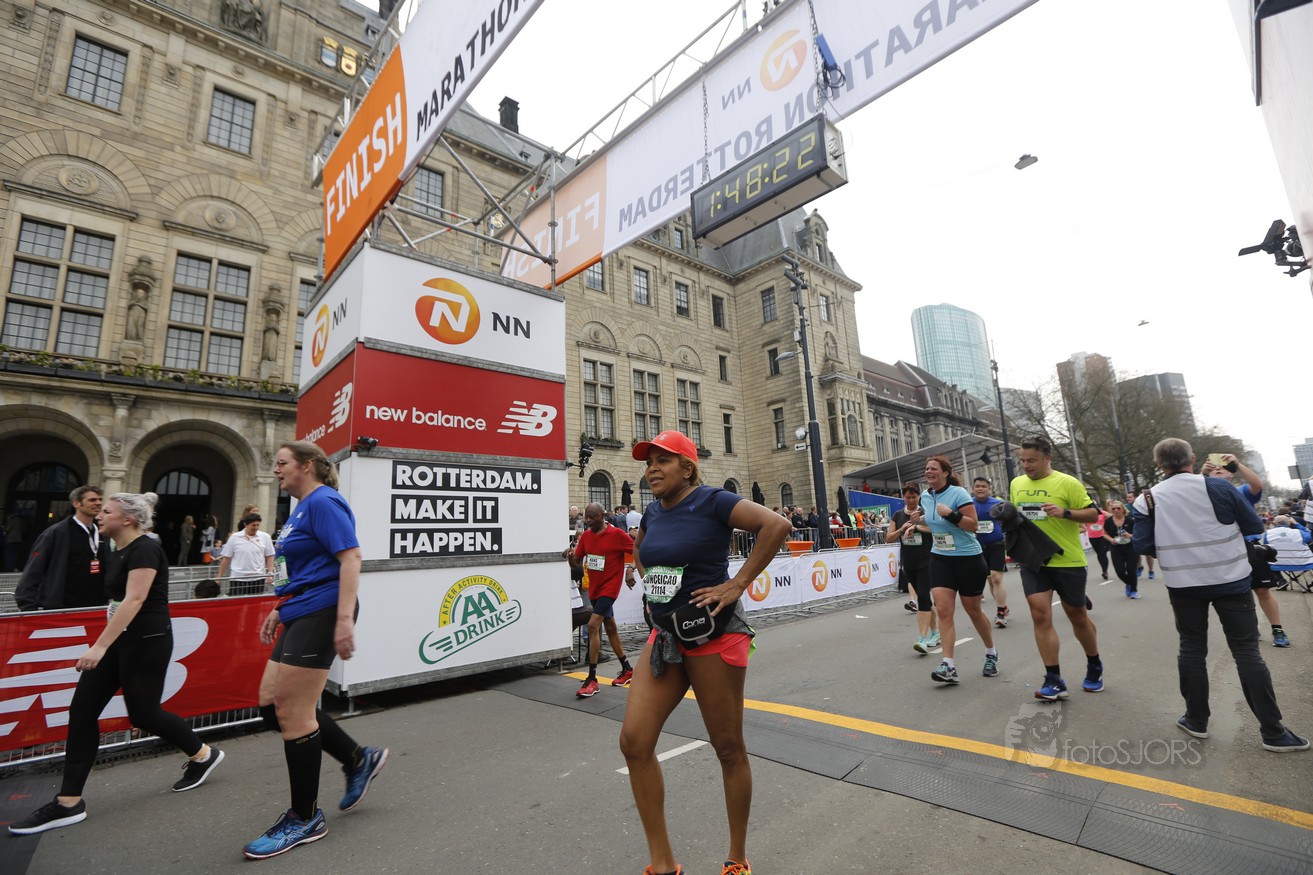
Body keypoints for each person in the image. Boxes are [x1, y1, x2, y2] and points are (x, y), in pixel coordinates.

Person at [619, 430, 791, 875]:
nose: (652, 469)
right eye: (648, 462)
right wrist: (653, 583)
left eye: (662, 460)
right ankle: (662, 864)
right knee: (634, 743)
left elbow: (777, 526)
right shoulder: (652, 512)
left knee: (728, 748)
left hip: (715, 636)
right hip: (665, 638)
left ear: (687, 468)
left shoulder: (713, 500)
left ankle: (737, 858)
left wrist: (737, 584)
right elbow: (639, 549)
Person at [9, 492, 225, 835]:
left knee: (143, 715)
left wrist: (99, 646)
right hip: (119, 640)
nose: (100, 514)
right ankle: (69, 801)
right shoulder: (114, 548)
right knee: (82, 711)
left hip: (146, 642)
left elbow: (135, 599)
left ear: (127, 519)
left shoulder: (145, 549)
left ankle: (203, 754)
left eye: (107, 510)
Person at [243, 441, 388, 860]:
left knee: (293, 712)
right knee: (271, 706)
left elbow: (351, 558)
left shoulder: (324, 501)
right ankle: (358, 758)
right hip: (301, 608)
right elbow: (303, 568)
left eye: (282, 463)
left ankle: (304, 818)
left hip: (324, 609)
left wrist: (343, 620)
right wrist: (280, 606)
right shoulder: (300, 509)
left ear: (307, 466)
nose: (276, 470)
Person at [1131, 438, 1307, 752]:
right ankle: (1273, 732)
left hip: (1183, 584)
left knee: (1192, 649)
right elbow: (1252, 525)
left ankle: (1196, 720)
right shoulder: (1219, 487)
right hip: (1231, 579)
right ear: (1192, 458)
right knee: (1247, 653)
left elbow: (1143, 545)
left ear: (1159, 464)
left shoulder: (1148, 498)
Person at [1010, 434, 1104, 700]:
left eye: (1032, 460)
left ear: (1047, 458)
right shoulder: (1017, 483)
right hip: (1034, 561)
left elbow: (1093, 514)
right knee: (1040, 615)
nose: (1026, 466)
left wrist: (1065, 512)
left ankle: (1094, 664)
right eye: (1023, 460)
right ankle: (1053, 678)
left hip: (1068, 560)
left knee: (1077, 615)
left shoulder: (1068, 482)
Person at [914, 456, 997, 685]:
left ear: (945, 473)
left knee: (973, 610)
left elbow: (973, 525)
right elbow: (934, 521)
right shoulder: (926, 496)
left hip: (968, 558)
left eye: (933, 468)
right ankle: (948, 665)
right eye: (926, 468)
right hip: (940, 558)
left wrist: (952, 514)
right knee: (943, 611)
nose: (928, 471)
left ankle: (991, 653)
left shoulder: (959, 494)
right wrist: (918, 521)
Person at [1203, 454, 1290, 647]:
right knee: (1236, 593)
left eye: (1223, 467)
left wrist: (1237, 464)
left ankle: (1277, 629)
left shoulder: (1240, 491)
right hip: (1223, 549)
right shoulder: (1203, 492)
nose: (1218, 468)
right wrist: (1202, 473)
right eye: (1214, 467)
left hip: (1249, 546)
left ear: (1232, 475)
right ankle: (1250, 628)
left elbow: (1257, 484)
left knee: (1263, 590)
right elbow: (1187, 491)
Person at [569, 502, 637, 696]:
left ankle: (592, 679)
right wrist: (570, 556)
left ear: (602, 515)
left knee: (593, 625)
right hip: (595, 590)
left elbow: (638, 550)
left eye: (592, 517)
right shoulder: (586, 537)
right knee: (611, 627)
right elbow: (576, 564)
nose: (588, 521)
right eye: (586, 517)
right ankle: (627, 669)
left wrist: (630, 570)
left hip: (610, 589)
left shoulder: (617, 534)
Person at [15, 485, 110, 611]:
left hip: (95, 607)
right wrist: (28, 606)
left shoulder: (103, 532)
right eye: (92, 500)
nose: (98, 503)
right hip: (62, 608)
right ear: (76, 503)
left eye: (100, 499)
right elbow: (34, 570)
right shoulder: (56, 533)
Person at [893, 482, 938, 650]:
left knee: (923, 597)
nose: (911, 500)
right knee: (923, 597)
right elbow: (888, 538)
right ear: (903, 497)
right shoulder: (898, 515)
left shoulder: (925, 512)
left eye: (914, 497)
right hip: (909, 562)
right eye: (907, 497)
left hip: (927, 559)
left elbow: (935, 528)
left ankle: (922, 638)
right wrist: (901, 530)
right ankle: (935, 632)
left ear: (919, 496)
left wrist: (916, 526)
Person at [971, 477, 1010, 628]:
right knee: (990, 579)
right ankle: (1003, 606)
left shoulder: (998, 504)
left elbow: (1010, 520)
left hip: (996, 544)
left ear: (989, 489)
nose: (980, 489)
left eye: (983, 486)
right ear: (973, 489)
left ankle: (1001, 612)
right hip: (977, 547)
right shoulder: (969, 504)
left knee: (996, 577)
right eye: (977, 486)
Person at [218, 512, 276, 596]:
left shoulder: (265, 537)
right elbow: (226, 558)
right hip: (238, 578)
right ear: (245, 524)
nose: (256, 528)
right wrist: (219, 577)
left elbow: (270, 556)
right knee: (237, 602)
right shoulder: (235, 537)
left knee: (255, 602)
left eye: (258, 525)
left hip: (258, 577)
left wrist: (270, 573)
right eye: (253, 525)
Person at [1102, 501, 1138, 595]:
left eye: (1118, 508)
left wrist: (1129, 535)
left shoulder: (1130, 521)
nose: (1116, 510)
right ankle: (1129, 583)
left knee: (1131, 570)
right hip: (1116, 548)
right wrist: (1111, 540)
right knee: (1119, 571)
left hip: (1130, 548)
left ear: (1123, 509)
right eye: (1113, 508)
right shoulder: (1108, 521)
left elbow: (1138, 534)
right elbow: (1104, 533)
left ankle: (1134, 590)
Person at [1084, 506, 1110, 582]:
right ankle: (1103, 569)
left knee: (1102, 553)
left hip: (1102, 536)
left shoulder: (1102, 513)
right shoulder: (1086, 514)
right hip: (1092, 537)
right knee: (1099, 554)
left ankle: (1105, 571)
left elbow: (1112, 516)